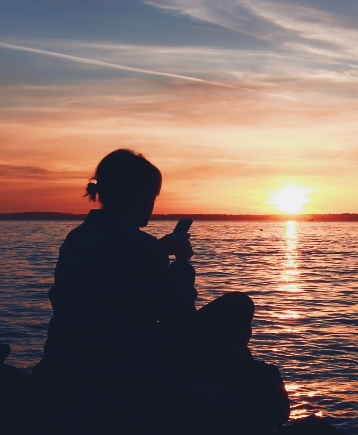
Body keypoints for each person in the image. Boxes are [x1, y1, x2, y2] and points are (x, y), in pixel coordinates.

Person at [32, 148, 255, 392]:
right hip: (123, 374)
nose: (152, 205)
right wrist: (182, 263)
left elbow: (112, 270)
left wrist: (160, 251)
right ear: (140, 197)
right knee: (239, 307)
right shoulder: (142, 248)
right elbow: (179, 320)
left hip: (65, 364)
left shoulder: (76, 239)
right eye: (152, 197)